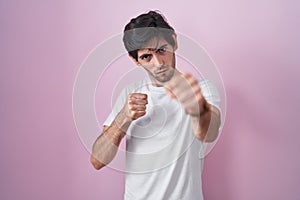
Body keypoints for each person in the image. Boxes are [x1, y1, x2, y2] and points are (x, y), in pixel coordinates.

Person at [90, 10, 221, 200]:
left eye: (161, 50)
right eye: (146, 57)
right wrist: (123, 118)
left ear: (174, 41)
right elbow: (97, 160)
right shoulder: (129, 93)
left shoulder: (202, 89)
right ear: (135, 60)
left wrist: (196, 106)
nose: (159, 63)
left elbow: (209, 133)